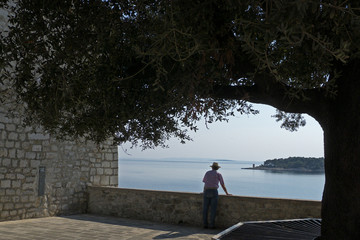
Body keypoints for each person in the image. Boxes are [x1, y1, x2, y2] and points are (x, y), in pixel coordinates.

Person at [202, 162, 230, 229]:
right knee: (213, 209)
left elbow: (205, 182)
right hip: (214, 191)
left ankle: (205, 224)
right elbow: (222, 184)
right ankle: (212, 225)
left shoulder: (207, 173)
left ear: (212, 167)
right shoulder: (218, 174)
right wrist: (226, 193)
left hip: (206, 191)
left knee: (205, 209)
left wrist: (204, 191)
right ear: (217, 168)